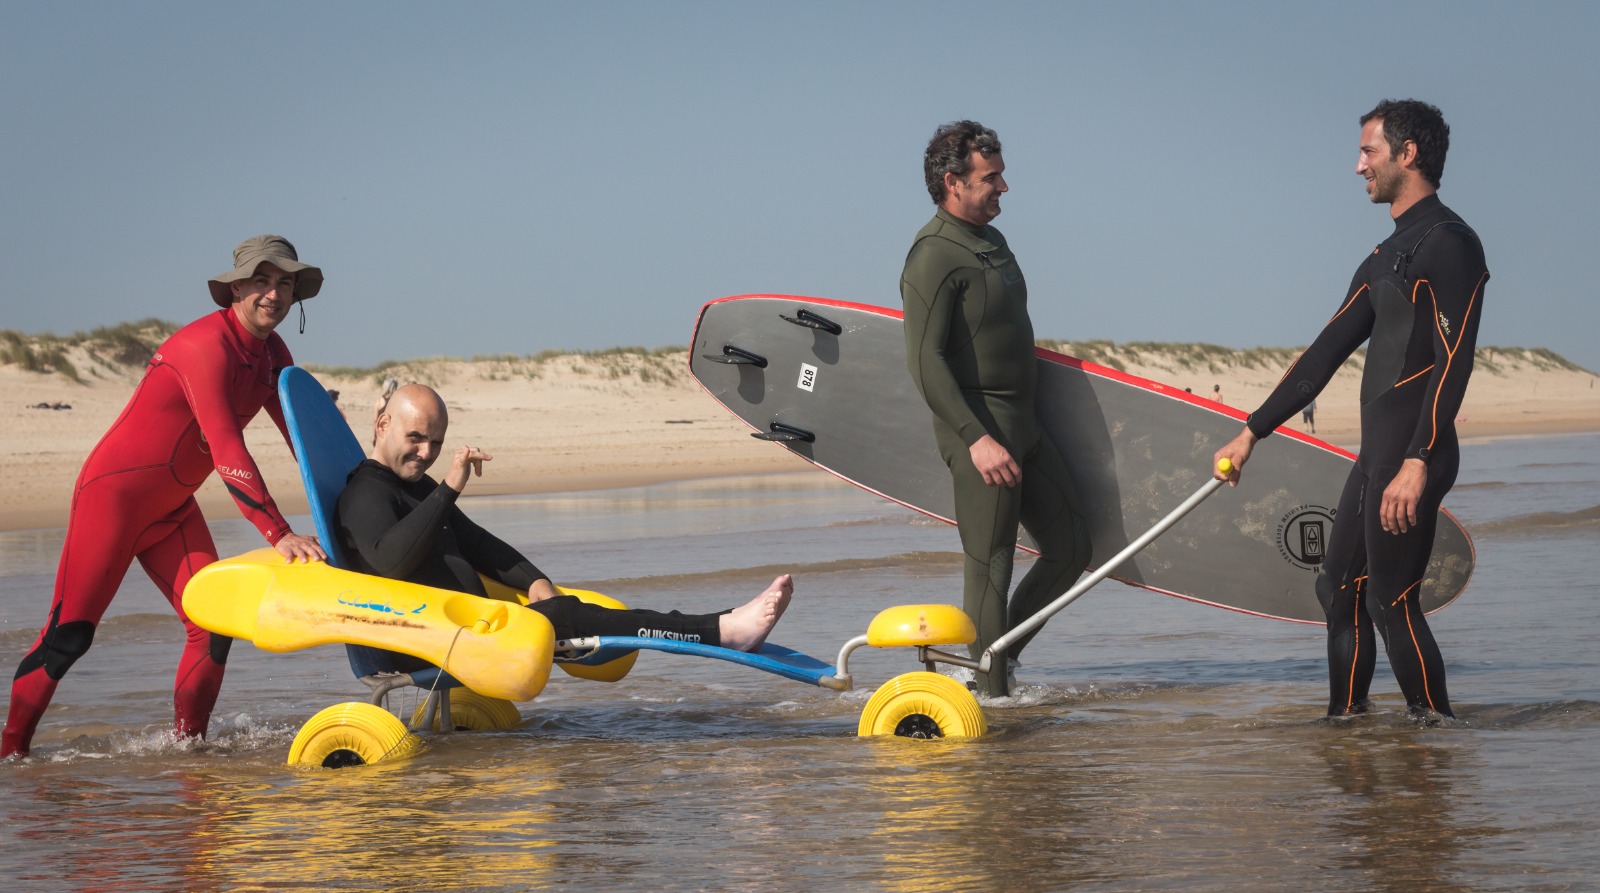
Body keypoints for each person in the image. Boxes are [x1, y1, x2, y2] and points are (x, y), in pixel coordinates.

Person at [2, 236, 329, 759]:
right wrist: (280, 533)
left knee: (212, 626)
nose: (274, 294)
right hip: (112, 502)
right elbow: (227, 447)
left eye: (284, 283)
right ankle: (10, 756)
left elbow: (299, 435)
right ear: (236, 287)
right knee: (69, 638)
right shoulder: (205, 347)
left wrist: (342, 503)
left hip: (172, 508)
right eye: (262, 282)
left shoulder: (272, 353)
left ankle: (188, 753)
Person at [1213, 99, 1487, 721]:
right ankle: (1346, 725)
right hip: (1378, 455)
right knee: (1339, 591)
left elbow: (1455, 360)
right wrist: (1251, 432)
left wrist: (1418, 459)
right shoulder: (1385, 254)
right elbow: (1324, 353)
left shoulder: (1451, 244)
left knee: (1392, 601)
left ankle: (1436, 735)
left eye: (1368, 151)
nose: (1357, 165)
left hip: (1415, 450)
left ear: (1407, 153)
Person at [335, 384, 793, 667]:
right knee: (567, 618)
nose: (426, 453)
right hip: (429, 644)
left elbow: (476, 542)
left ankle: (722, 627)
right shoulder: (365, 493)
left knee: (563, 608)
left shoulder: (412, 486)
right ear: (382, 423)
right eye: (415, 438)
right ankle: (724, 631)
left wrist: (536, 581)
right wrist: (449, 487)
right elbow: (392, 560)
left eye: (435, 443)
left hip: (470, 633)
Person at [900, 120, 1092, 697]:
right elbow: (925, 360)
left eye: (1001, 174)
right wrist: (975, 438)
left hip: (1025, 424)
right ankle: (992, 700)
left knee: (1072, 549)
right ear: (953, 181)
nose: (1003, 187)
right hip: (980, 431)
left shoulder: (993, 242)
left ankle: (989, 663)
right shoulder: (933, 254)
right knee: (991, 566)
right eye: (991, 177)